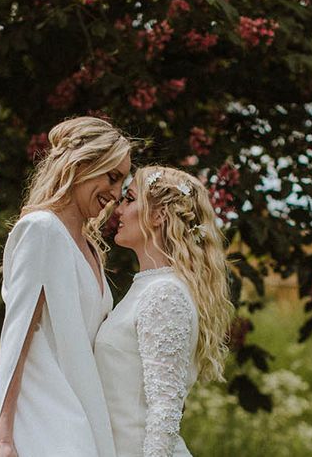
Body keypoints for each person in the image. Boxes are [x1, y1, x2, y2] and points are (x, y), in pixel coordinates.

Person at [0, 116, 132, 457]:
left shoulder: (91, 249)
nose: (116, 194)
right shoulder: (41, 230)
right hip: (47, 423)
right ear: (82, 164)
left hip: (87, 418)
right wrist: (5, 438)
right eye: (112, 177)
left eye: (122, 183)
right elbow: (17, 335)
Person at [94, 166, 233, 457]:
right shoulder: (149, 287)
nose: (118, 209)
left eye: (129, 199)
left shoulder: (164, 293)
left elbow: (165, 411)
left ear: (158, 215)